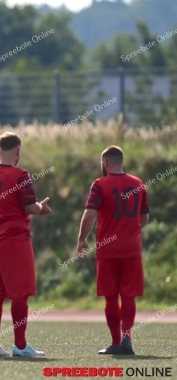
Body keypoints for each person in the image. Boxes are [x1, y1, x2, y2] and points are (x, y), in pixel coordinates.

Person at [0, 132, 50, 357]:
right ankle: (20, 346)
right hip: (15, 241)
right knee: (20, 294)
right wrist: (41, 207)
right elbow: (29, 206)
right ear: (18, 152)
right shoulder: (21, 175)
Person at [78, 145, 148, 355]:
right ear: (122, 162)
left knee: (110, 297)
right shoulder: (138, 183)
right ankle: (127, 339)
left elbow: (90, 214)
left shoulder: (99, 184)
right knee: (129, 295)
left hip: (108, 249)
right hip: (132, 249)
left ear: (105, 163)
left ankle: (116, 342)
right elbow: (144, 217)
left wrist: (82, 239)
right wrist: (131, 230)